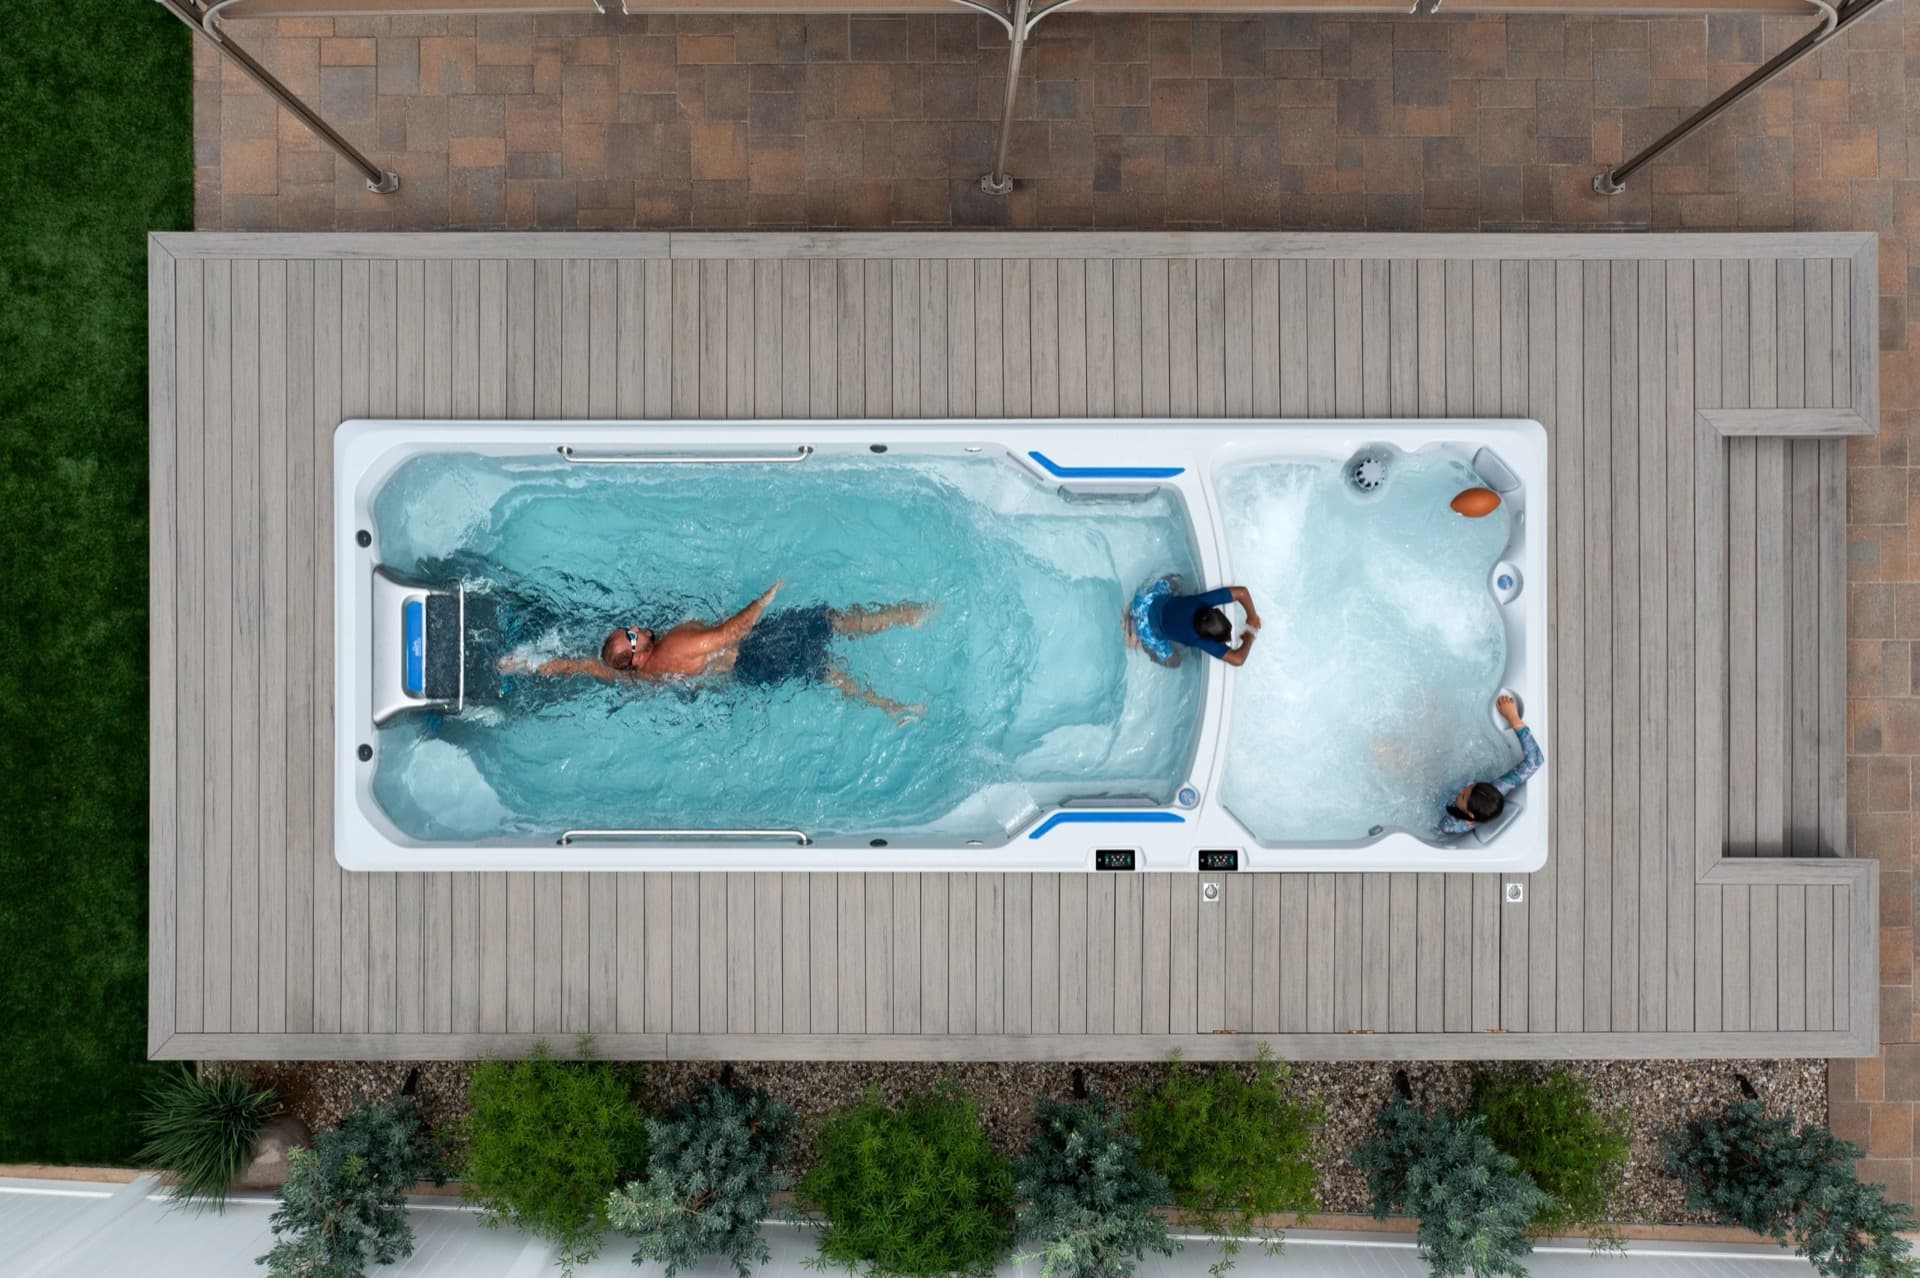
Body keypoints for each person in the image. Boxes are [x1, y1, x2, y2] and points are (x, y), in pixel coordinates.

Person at [507, 581, 933, 723]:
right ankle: (911, 616)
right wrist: (765, 599)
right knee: (833, 621)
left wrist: (532, 663)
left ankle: (890, 706)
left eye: (628, 629)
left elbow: (580, 666)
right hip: (755, 648)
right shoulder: (673, 646)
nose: (635, 629)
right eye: (631, 638)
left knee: (824, 671)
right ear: (635, 656)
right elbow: (731, 633)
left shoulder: (633, 675)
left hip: (746, 672)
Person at [1437, 693, 1542, 835]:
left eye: (1462, 796)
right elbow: (1535, 762)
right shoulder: (1497, 788)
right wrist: (1513, 718)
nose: (1462, 789)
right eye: (1469, 787)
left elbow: (1440, 827)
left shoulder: (1451, 825)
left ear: (1470, 815)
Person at [1124, 576, 1261, 668]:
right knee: (1175, 662)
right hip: (1146, 629)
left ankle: (1131, 612)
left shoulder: (1200, 602)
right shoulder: (1199, 640)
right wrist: (1249, 637)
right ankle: (1140, 643)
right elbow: (1238, 660)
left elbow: (1242, 592)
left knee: (1175, 579)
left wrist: (1252, 616)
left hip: (1146, 600)